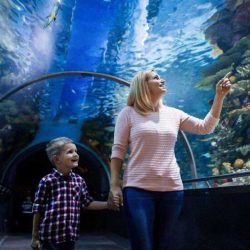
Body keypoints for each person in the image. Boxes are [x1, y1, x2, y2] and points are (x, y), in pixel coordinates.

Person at [109, 69, 231, 250]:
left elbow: (206, 127)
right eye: (156, 78)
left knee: (163, 244)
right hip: (137, 189)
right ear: (143, 85)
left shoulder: (174, 114)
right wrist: (114, 185)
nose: (162, 80)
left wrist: (219, 96)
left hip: (172, 190)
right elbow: (118, 150)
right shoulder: (128, 113)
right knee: (143, 244)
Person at [31, 137, 109, 250]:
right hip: (50, 237)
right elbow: (37, 209)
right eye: (70, 152)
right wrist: (35, 236)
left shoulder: (79, 180)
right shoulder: (47, 181)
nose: (76, 154)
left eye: (76, 151)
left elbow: (87, 203)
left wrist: (108, 204)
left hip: (70, 236)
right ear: (57, 159)